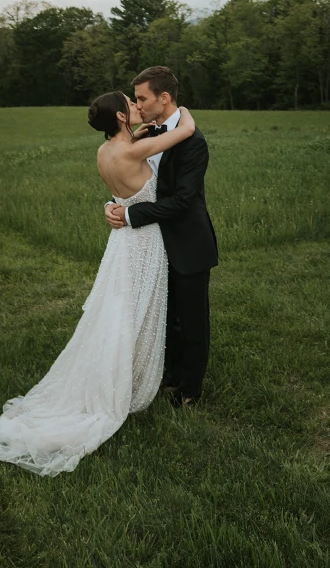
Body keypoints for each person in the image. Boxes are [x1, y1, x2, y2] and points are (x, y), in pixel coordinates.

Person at [0, 92, 195, 477]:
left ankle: (120, 371)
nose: (136, 106)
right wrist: (180, 112)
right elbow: (187, 129)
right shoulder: (136, 149)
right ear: (118, 115)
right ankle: (126, 381)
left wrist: (134, 137)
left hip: (121, 244)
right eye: (131, 103)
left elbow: (120, 188)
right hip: (144, 241)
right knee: (138, 311)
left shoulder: (106, 152)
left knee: (117, 310)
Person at [105, 66, 218, 408]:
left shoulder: (193, 142)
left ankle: (189, 390)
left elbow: (183, 201)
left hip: (187, 241)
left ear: (164, 98)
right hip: (152, 245)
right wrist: (114, 204)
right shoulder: (146, 135)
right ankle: (168, 376)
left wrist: (130, 215)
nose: (137, 105)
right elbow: (135, 182)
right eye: (135, 99)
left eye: (142, 98)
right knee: (164, 316)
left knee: (192, 320)